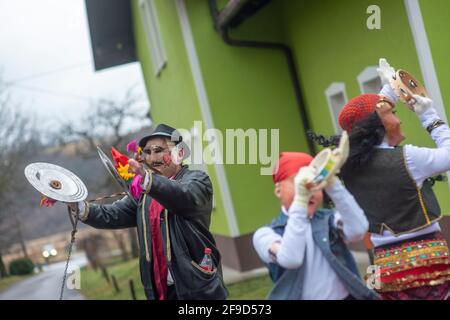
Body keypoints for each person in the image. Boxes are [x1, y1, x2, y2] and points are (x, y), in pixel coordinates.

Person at [68, 124, 228, 300]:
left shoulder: (198, 180)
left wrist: (146, 179)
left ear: (180, 154)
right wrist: (75, 203)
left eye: (159, 150)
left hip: (196, 288)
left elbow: (183, 196)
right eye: (148, 152)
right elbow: (111, 215)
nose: (152, 158)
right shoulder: (146, 192)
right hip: (162, 292)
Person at [333, 59, 450, 299]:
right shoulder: (409, 158)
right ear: (379, 126)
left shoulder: (349, 169)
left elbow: (372, 112)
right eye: (393, 114)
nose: (399, 119)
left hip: (385, 268)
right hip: (428, 261)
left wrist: (391, 87)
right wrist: (429, 116)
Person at [252, 152, 379, 300]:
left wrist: (332, 182)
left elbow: (358, 230)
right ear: (278, 190)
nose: (308, 192)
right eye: (299, 184)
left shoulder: (329, 219)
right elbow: (290, 259)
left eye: (315, 184)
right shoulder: (265, 234)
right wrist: (300, 201)